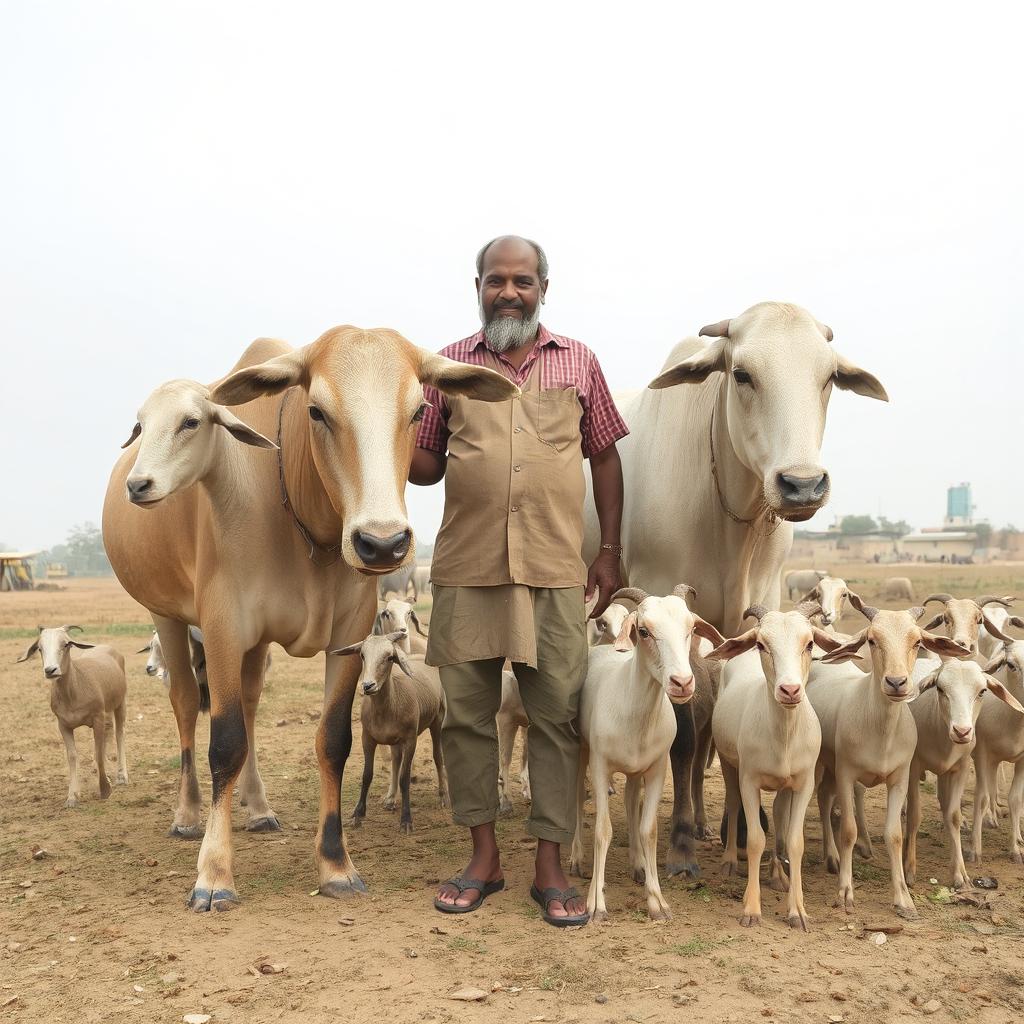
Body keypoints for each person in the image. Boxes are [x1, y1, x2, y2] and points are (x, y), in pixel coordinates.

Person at [411, 235, 627, 926]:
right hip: (468, 568)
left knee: (556, 717)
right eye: (497, 280)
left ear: (543, 287)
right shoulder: (445, 367)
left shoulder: (579, 361)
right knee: (467, 718)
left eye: (523, 281)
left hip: (554, 568)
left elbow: (604, 458)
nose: (510, 292)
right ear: (477, 286)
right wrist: (387, 425)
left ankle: (550, 864)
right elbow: (424, 467)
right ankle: (483, 858)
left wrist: (610, 549)